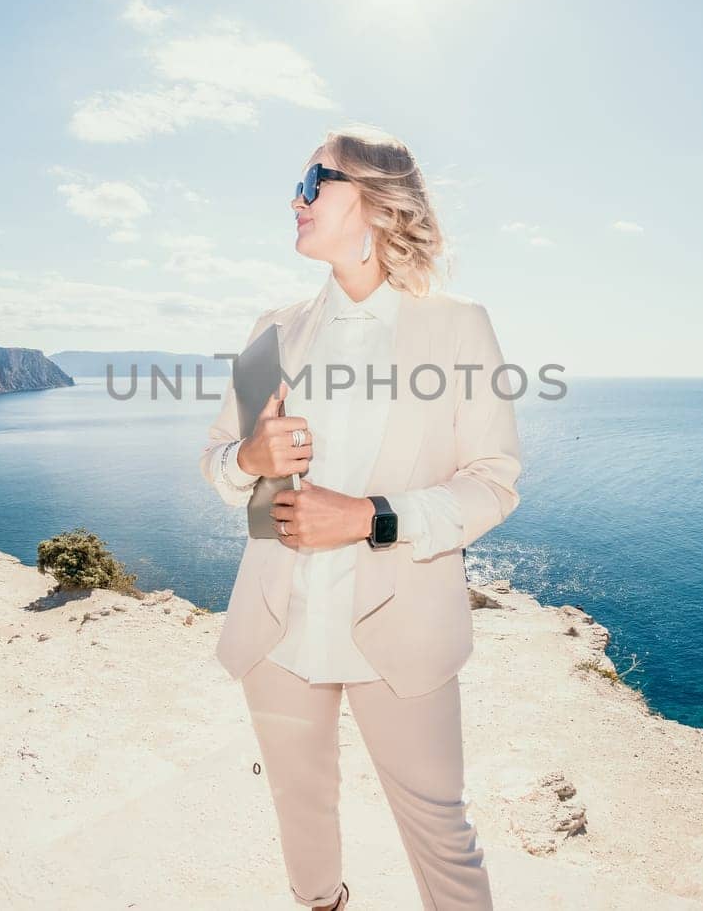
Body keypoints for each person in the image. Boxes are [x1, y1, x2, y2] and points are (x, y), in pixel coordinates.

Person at [200, 123, 522, 909]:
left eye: (315, 182)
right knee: (300, 819)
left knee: (442, 837)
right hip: (279, 626)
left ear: (376, 203)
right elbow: (217, 465)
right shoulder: (269, 331)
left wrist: (372, 516)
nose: (295, 199)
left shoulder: (459, 326)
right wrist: (250, 458)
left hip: (401, 631)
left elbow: (494, 482)